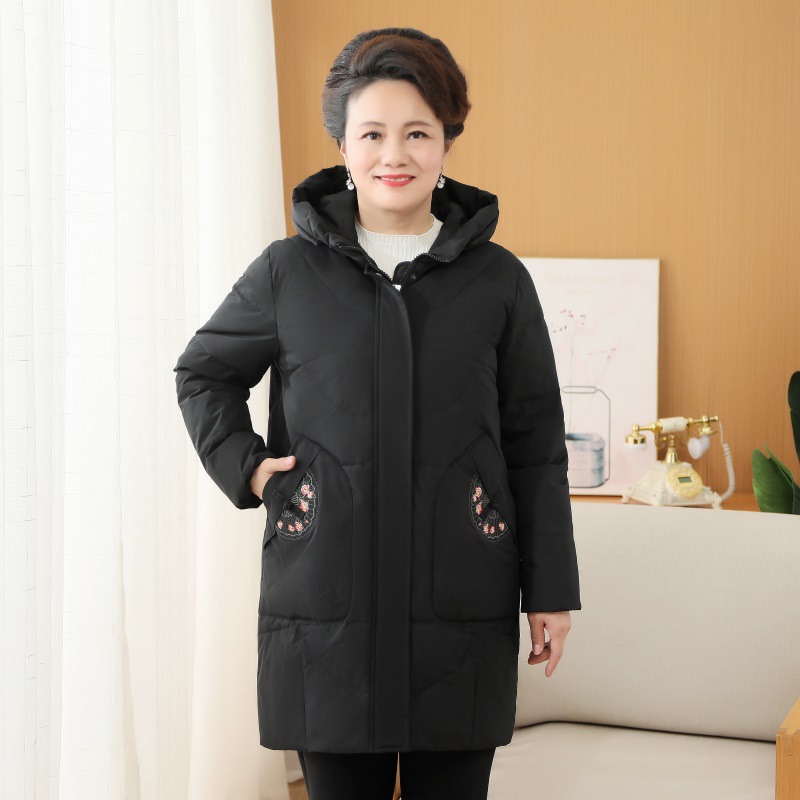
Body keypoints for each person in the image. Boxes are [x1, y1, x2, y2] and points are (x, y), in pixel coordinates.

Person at [174, 26, 581, 800]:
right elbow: (203, 374)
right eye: (372, 134)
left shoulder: (498, 281)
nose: (395, 154)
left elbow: (535, 445)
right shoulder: (287, 272)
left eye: (417, 133)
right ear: (342, 145)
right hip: (325, 599)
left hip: (462, 594)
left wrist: (551, 590)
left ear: (447, 142)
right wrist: (252, 470)